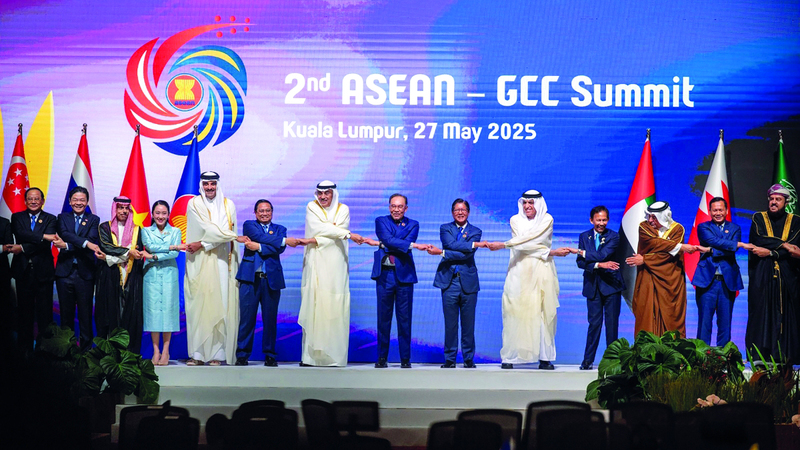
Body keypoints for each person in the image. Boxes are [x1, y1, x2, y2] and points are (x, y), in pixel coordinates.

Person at [482, 190, 577, 370]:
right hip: (518, 270)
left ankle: (545, 358)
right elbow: (523, 244)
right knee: (513, 311)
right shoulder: (515, 220)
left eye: (531, 203)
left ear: (538, 204)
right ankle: (510, 356)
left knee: (543, 313)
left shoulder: (547, 219)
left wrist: (503, 244)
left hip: (541, 270)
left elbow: (531, 241)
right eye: (525, 203)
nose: (527, 206)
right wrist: (550, 252)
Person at [297, 181, 368, 367]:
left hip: (336, 264)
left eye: (326, 193)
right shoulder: (311, 207)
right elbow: (320, 229)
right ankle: (311, 358)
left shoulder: (343, 209)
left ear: (333, 194)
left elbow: (325, 233)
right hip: (315, 262)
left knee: (335, 306)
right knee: (314, 304)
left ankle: (334, 357)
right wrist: (346, 234)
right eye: (320, 193)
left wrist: (319, 238)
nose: (323, 197)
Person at [185, 171, 246, 366]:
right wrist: (232, 236)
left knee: (220, 304)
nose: (209, 188)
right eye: (206, 184)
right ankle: (197, 354)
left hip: (221, 261)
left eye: (212, 184)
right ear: (201, 185)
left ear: (217, 185)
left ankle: (217, 355)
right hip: (199, 261)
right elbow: (213, 231)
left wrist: (203, 243)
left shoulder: (229, 205)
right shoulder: (194, 203)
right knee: (199, 305)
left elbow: (222, 233)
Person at [235, 199, 298, 367]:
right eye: (261, 211)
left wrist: (259, 247)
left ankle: (270, 355)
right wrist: (283, 241)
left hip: (271, 280)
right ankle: (242, 355)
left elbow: (278, 249)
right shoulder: (249, 225)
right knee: (247, 319)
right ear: (255, 213)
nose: (264, 213)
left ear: (272, 212)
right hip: (250, 279)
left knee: (270, 320)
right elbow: (259, 237)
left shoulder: (280, 229)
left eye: (268, 210)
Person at [370, 194, 428, 369]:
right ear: (389, 207)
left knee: (404, 319)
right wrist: (401, 243)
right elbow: (392, 240)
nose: (396, 209)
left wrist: (384, 244)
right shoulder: (380, 221)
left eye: (400, 206)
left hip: (404, 276)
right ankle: (382, 358)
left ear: (406, 208)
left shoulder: (414, 224)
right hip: (384, 275)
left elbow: (390, 241)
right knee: (383, 319)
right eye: (393, 206)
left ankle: (405, 359)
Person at [626, 201, 698, 338]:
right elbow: (653, 243)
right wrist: (679, 246)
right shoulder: (644, 227)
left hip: (671, 280)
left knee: (672, 318)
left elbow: (668, 256)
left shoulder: (678, 229)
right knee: (646, 316)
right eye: (649, 216)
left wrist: (645, 259)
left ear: (663, 216)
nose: (650, 220)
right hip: (648, 278)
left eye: (654, 217)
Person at [746, 184, 800, 365]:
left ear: (786, 202)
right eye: (771, 199)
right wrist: (784, 245)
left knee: (787, 314)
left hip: (788, 276)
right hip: (763, 275)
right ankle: (760, 356)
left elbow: (796, 246)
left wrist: (770, 253)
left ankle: (785, 356)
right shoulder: (758, 218)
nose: (774, 202)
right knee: (761, 312)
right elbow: (758, 239)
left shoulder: (796, 221)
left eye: (778, 199)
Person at [427, 198, 483, 368]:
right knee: (450, 324)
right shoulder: (445, 228)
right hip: (449, 282)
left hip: (468, 283)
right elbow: (450, 244)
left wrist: (442, 253)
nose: (460, 212)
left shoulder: (476, 231)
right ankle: (450, 359)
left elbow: (467, 255)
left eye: (463, 210)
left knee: (468, 324)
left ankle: (468, 359)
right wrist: (468, 245)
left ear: (468, 212)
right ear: (452, 212)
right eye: (457, 210)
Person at [691, 197, 750, 346]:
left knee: (725, 322)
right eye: (715, 210)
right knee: (704, 322)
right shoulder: (703, 227)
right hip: (707, 282)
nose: (718, 213)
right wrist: (734, 244)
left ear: (726, 211)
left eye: (720, 210)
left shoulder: (735, 228)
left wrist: (710, 250)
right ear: (710, 211)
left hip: (727, 282)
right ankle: (703, 356)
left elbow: (731, 251)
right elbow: (714, 242)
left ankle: (722, 356)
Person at [9, 187, 59, 353]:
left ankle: (44, 351)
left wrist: (23, 247)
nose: (33, 201)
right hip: (23, 271)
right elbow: (21, 234)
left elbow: (44, 245)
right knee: (24, 313)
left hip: (43, 273)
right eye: (30, 198)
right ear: (25, 201)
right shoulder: (17, 217)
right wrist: (43, 236)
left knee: (45, 314)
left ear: (42, 201)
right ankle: (24, 351)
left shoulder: (51, 218)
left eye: (37, 198)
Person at [576, 205, 624, 370]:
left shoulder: (614, 236)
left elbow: (603, 254)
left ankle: (613, 362)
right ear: (591, 220)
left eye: (604, 220)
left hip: (611, 286)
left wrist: (583, 253)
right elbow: (580, 263)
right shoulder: (584, 236)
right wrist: (599, 265)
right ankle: (587, 361)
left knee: (612, 325)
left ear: (608, 220)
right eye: (598, 220)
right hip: (592, 287)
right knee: (594, 324)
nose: (601, 223)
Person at [53, 186, 101, 350]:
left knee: (85, 315)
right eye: (75, 199)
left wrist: (67, 245)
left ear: (87, 202)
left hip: (85, 274)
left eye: (82, 200)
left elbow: (92, 239)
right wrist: (85, 243)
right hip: (64, 273)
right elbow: (65, 234)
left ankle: (86, 352)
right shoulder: (62, 217)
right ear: (70, 201)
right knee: (66, 315)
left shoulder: (94, 219)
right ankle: (67, 351)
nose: (78, 203)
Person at [95, 196, 145, 352]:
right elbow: (106, 247)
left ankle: (129, 353)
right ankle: (109, 353)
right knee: (110, 313)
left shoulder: (137, 229)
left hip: (131, 276)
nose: (123, 211)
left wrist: (109, 258)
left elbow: (138, 253)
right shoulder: (105, 227)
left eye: (126, 208)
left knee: (130, 313)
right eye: (120, 207)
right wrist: (128, 252)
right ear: (114, 209)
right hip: (110, 276)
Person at [141, 200, 184, 365]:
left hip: (169, 273)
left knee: (168, 311)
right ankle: (155, 350)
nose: (160, 216)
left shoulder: (176, 231)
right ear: (152, 214)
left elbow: (175, 254)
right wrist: (171, 246)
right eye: (157, 213)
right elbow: (150, 247)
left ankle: (166, 350)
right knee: (153, 312)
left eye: (164, 213)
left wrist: (154, 256)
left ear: (168, 215)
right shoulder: (146, 231)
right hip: (151, 274)